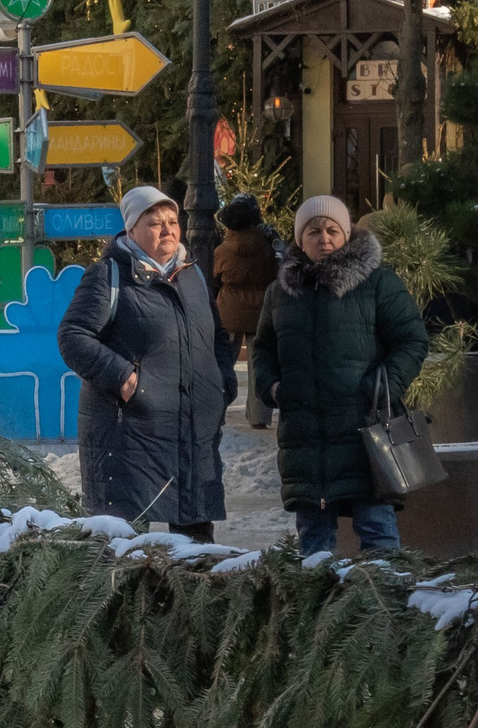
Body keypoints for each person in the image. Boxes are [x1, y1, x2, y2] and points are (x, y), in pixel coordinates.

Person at [58, 185, 237, 541]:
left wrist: (221, 384)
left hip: (189, 434)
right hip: (129, 432)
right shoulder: (108, 275)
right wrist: (125, 378)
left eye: (173, 221)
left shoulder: (191, 274)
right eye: (155, 223)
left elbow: (216, 336)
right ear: (132, 230)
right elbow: (73, 335)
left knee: (195, 547)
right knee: (125, 547)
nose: (168, 229)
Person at [253, 196, 429, 558]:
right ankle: (317, 613)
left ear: (347, 235)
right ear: (301, 239)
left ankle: (384, 608)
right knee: (314, 543)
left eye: (333, 229)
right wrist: (273, 388)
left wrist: (382, 386)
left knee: (377, 532)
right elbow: (263, 349)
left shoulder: (378, 283)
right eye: (314, 230)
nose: (324, 237)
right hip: (305, 437)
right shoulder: (280, 294)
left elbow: (412, 340)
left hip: (364, 430)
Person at [213, 195, 279, 349]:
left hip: (228, 310)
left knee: (226, 358)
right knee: (257, 357)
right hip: (259, 309)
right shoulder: (267, 245)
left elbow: (214, 279)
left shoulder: (222, 251)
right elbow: (275, 273)